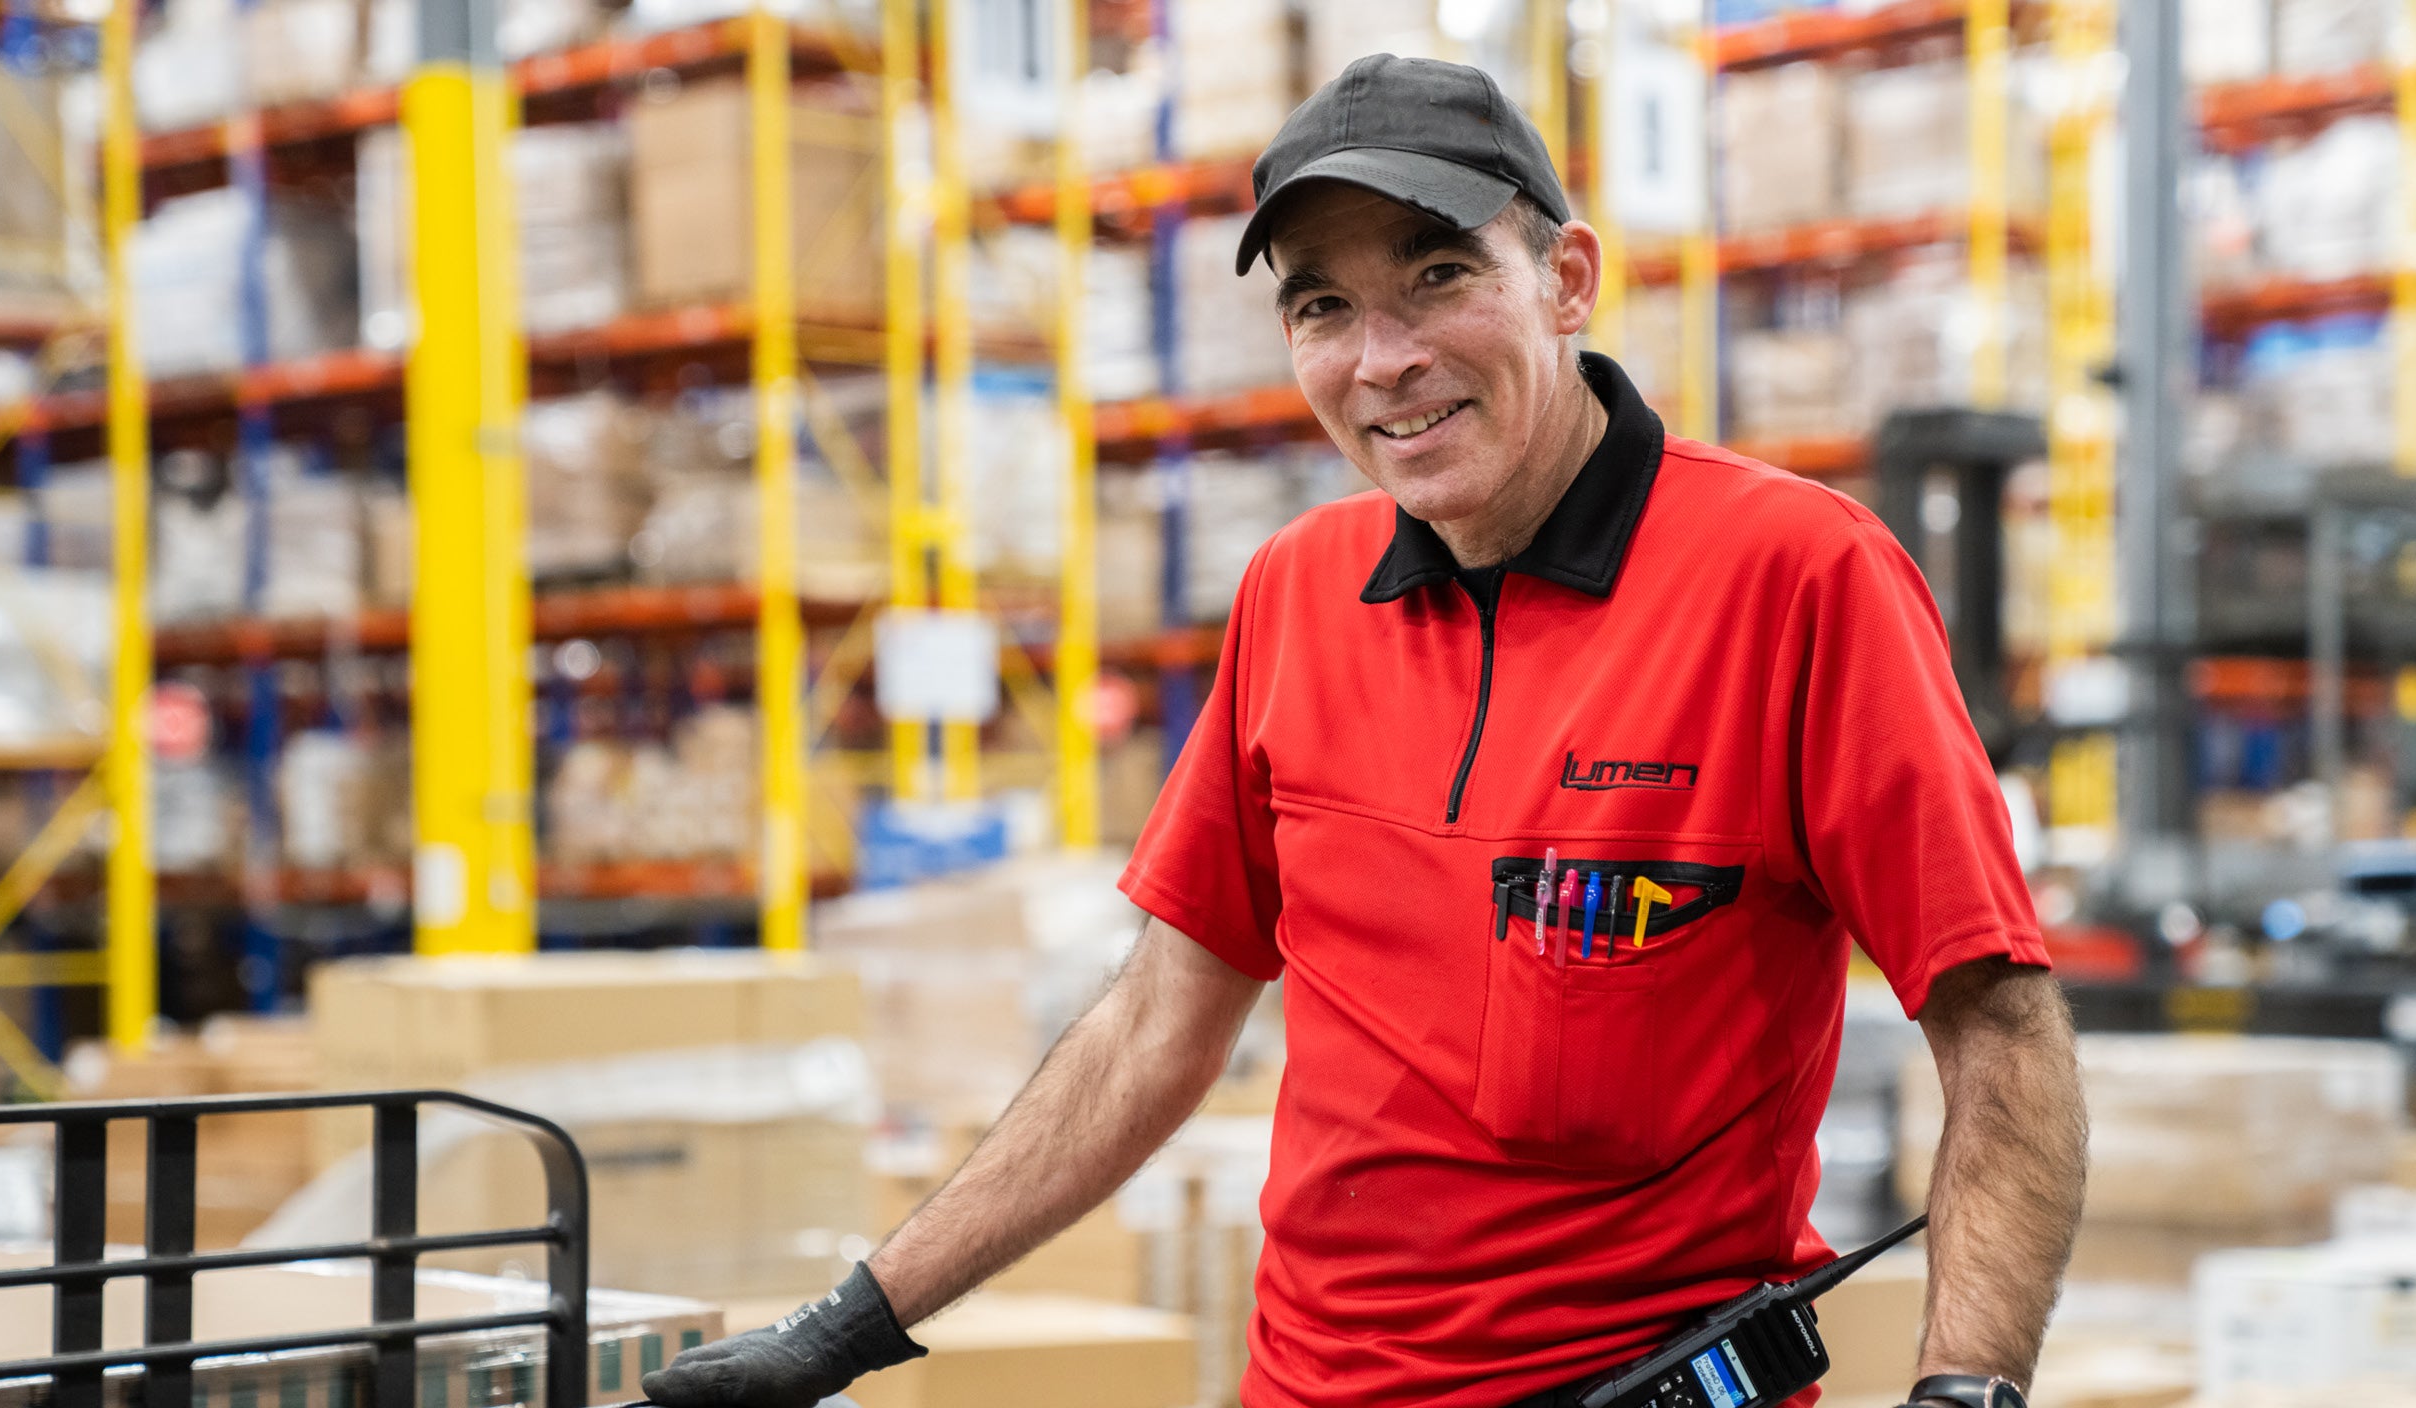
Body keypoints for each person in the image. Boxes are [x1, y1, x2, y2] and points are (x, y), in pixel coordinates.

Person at [641, 53, 2087, 1408]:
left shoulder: (1795, 577)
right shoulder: (1294, 593)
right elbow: (1155, 1022)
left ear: (1566, 279)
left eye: (1440, 275)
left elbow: (2001, 1033)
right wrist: (849, 1326)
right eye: (1323, 306)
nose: (1382, 360)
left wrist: (1963, 1391)